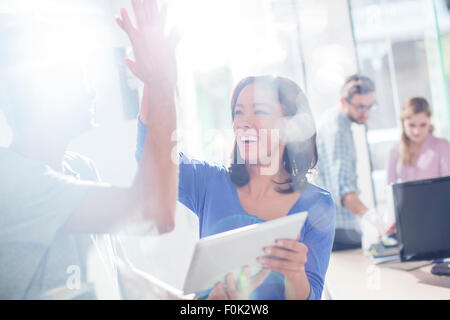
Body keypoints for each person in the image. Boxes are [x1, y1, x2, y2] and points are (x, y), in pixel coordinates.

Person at [122, 4, 337, 297]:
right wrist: (157, 84)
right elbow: (150, 159)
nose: (243, 122)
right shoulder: (210, 184)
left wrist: (295, 273)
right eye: (237, 112)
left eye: (258, 111)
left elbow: (310, 296)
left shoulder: (317, 205)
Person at [0, 3, 180, 299]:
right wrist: (160, 83)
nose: (91, 90)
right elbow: (155, 212)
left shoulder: (81, 169)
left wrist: (197, 304)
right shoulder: (10, 181)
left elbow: (122, 275)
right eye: (76, 77)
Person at [315, 74, 383, 251]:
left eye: (369, 106)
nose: (365, 113)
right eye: (360, 107)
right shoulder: (338, 130)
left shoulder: (333, 120)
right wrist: (376, 220)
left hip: (334, 228)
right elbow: (344, 191)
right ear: (343, 102)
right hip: (339, 230)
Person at [387, 97, 450, 184]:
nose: (417, 131)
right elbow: (389, 187)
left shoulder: (442, 146)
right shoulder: (394, 150)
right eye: (411, 125)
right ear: (403, 122)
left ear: (429, 122)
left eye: (423, 125)